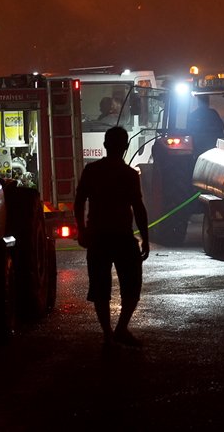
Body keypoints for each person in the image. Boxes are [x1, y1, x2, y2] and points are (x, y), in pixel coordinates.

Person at [74, 125, 150, 347]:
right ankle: (120, 329)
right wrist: (144, 237)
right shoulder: (129, 175)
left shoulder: (92, 171)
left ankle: (108, 334)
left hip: (98, 237)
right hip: (123, 237)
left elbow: (79, 203)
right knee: (132, 287)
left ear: (105, 145)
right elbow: (138, 207)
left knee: (100, 288)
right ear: (125, 147)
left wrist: (81, 230)